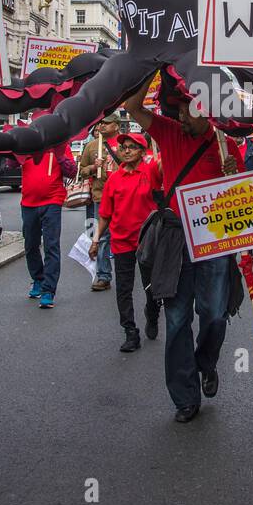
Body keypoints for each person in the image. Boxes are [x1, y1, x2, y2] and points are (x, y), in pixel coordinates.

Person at [123, 76, 244, 423]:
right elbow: (132, 107)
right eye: (175, 109)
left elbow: (244, 205)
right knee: (176, 320)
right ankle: (184, 396)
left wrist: (233, 177)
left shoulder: (226, 145)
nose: (179, 117)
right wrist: (146, 68)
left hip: (215, 241)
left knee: (215, 314)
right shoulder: (169, 132)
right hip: (176, 240)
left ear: (204, 108)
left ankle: (206, 363)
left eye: (185, 110)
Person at [90, 132, 162, 352]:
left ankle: (152, 312)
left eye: (132, 147)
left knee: (151, 287)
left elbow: (165, 162)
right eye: (123, 147)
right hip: (121, 242)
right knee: (124, 289)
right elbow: (105, 214)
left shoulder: (151, 172)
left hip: (148, 241)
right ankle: (130, 332)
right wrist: (95, 240)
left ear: (142, 151)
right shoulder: (113, 178)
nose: (127, 150)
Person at [18, 109, 77, 309]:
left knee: (51, 246)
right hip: (28, 203)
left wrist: (59, 154)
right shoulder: (25, 146)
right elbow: (9, 162)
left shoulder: (60, 146)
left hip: (52, 202)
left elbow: (72, 171)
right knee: (31, 245)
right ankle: (38, 278)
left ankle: (48, 290)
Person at [78, 115, 120, 291]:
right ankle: (103, 275)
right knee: (102, 237)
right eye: (101, 123)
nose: (102, 126)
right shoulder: (91, 146)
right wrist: (94, 168)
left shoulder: (126, 143)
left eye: (106, 123)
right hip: (100, 196)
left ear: (116, 126)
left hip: (123, 196)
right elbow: (81, 171)